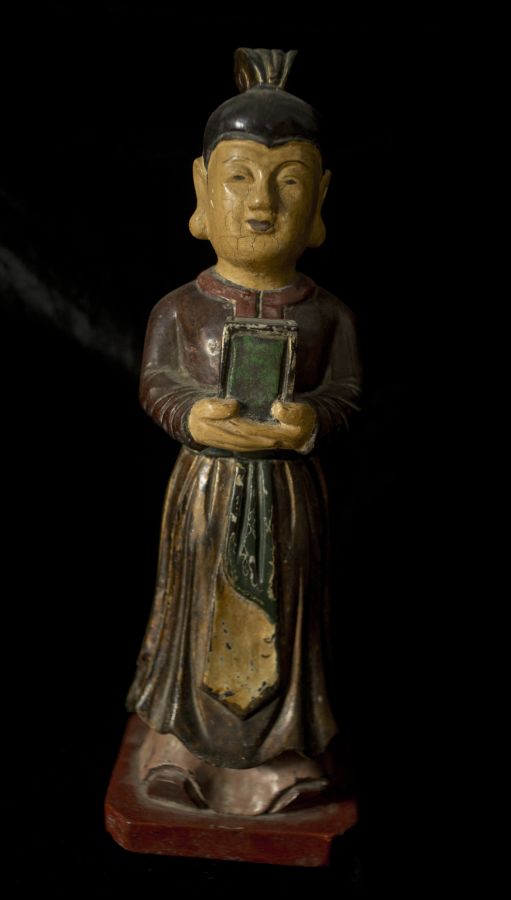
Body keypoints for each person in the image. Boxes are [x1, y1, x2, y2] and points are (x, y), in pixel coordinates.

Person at [126, 48, 362, 816]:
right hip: (205, 489)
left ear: (320, 198)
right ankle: (181, 745)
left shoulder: (327, 315)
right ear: (201, 189)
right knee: (194, 613)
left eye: (288, 181)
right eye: (239, 177)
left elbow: (346, 393)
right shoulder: (179, 308)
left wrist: (310, 417)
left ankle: (279, 749)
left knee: (284, 618)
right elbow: (156, 383)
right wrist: (192, 414)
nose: (261, 202)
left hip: (289, 495)